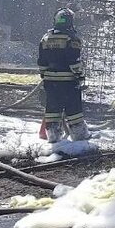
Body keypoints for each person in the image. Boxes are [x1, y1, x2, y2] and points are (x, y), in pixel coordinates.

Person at [37, 8, 89, 142]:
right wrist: (80, 75)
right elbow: (74, 61)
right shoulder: (71, 39)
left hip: (50, 82)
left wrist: (45, 75)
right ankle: (79, 135)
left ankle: (53, 135)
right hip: (68, 82)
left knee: (53, 108)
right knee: (73, 109)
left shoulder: (46, 38)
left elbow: (42, 62)